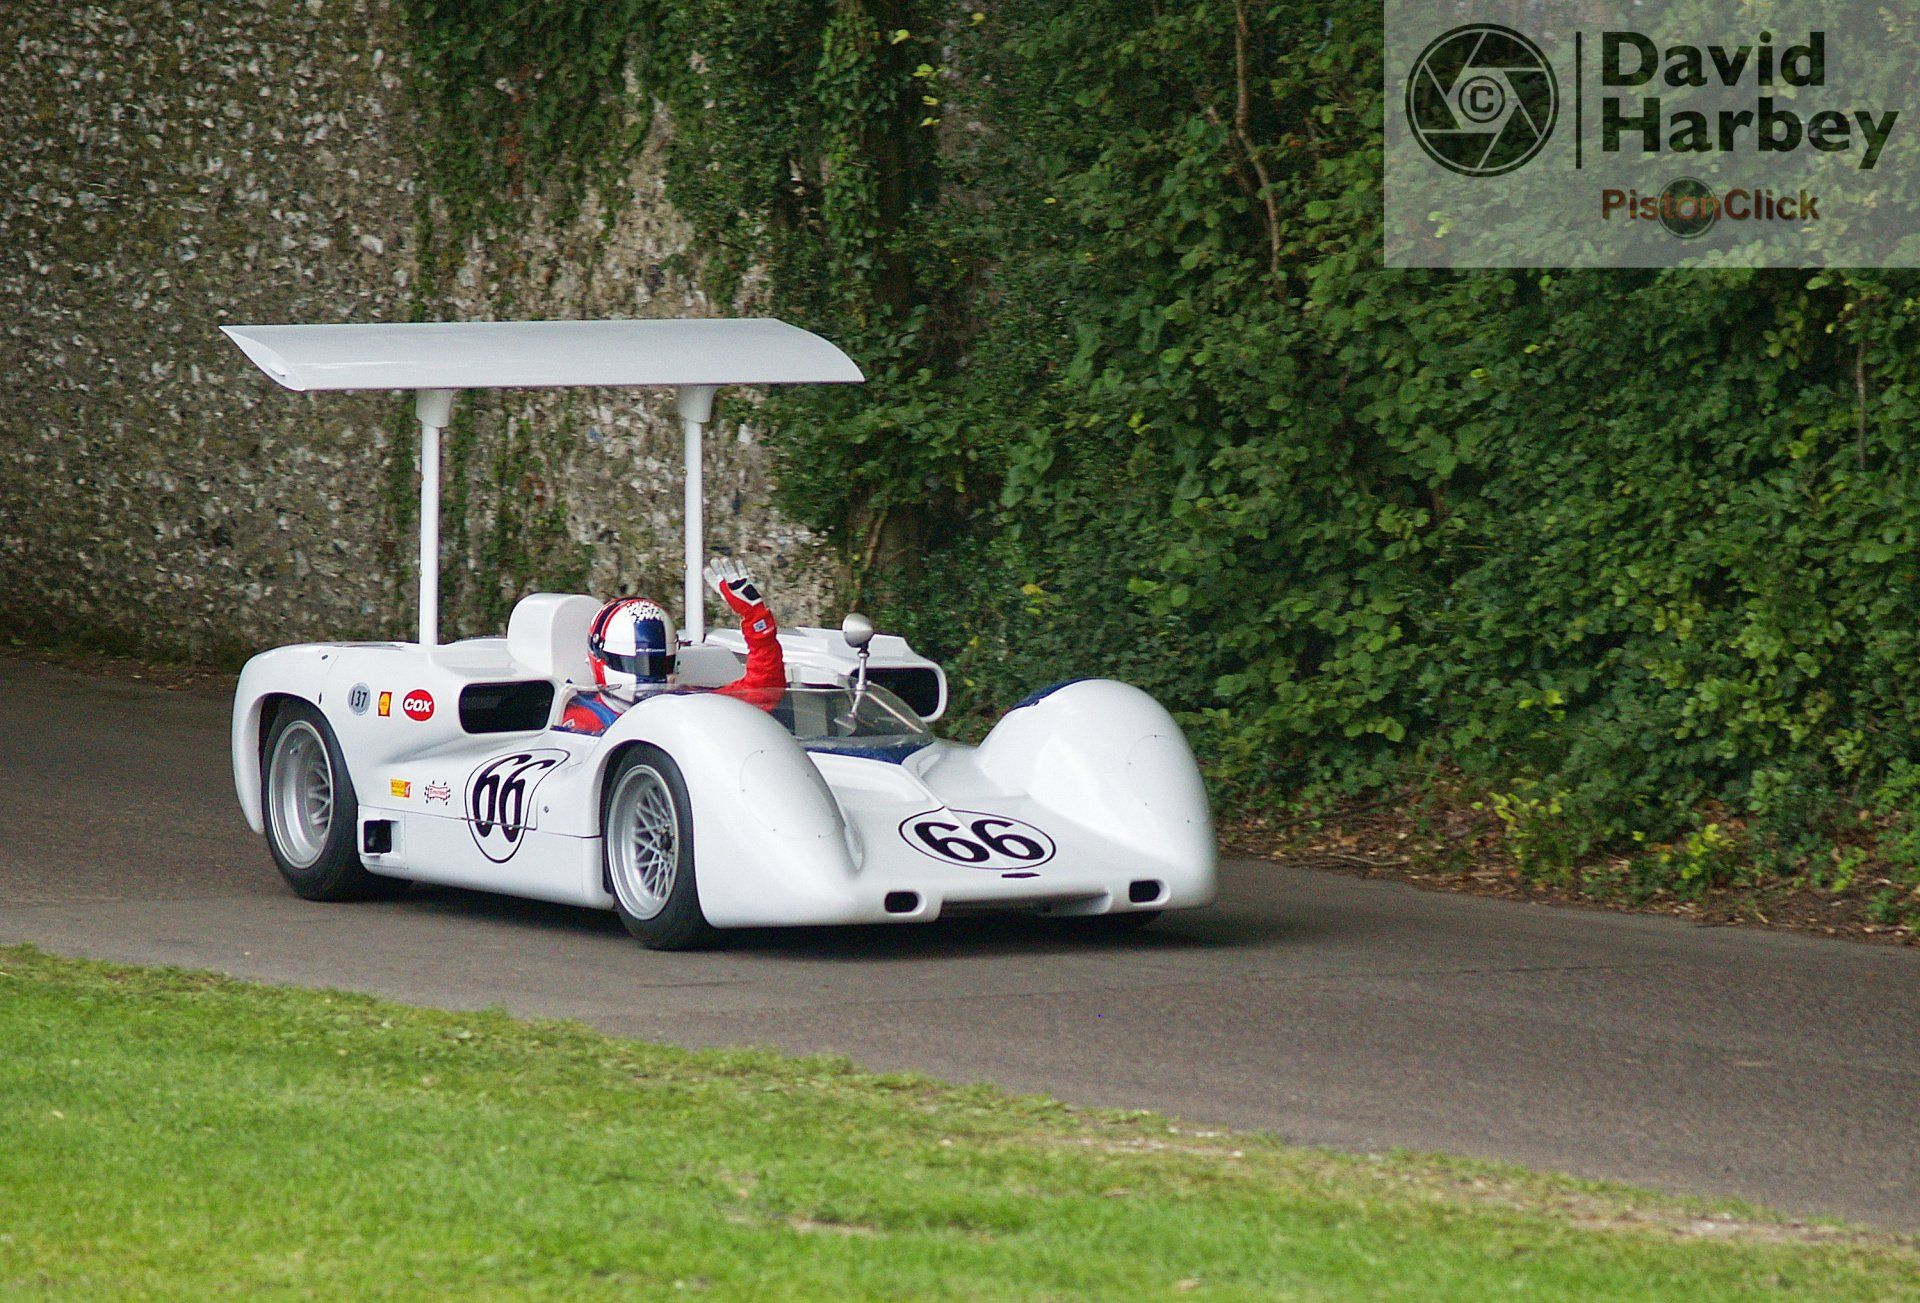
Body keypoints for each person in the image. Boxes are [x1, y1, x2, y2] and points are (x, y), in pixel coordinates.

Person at [554, 558, 787, 735]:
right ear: (598, 658)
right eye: (634, 663)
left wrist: (755, 618)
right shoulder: (580, 722)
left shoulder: (689, 704)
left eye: (656, 663)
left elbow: (763, 690)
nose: (646, 674)